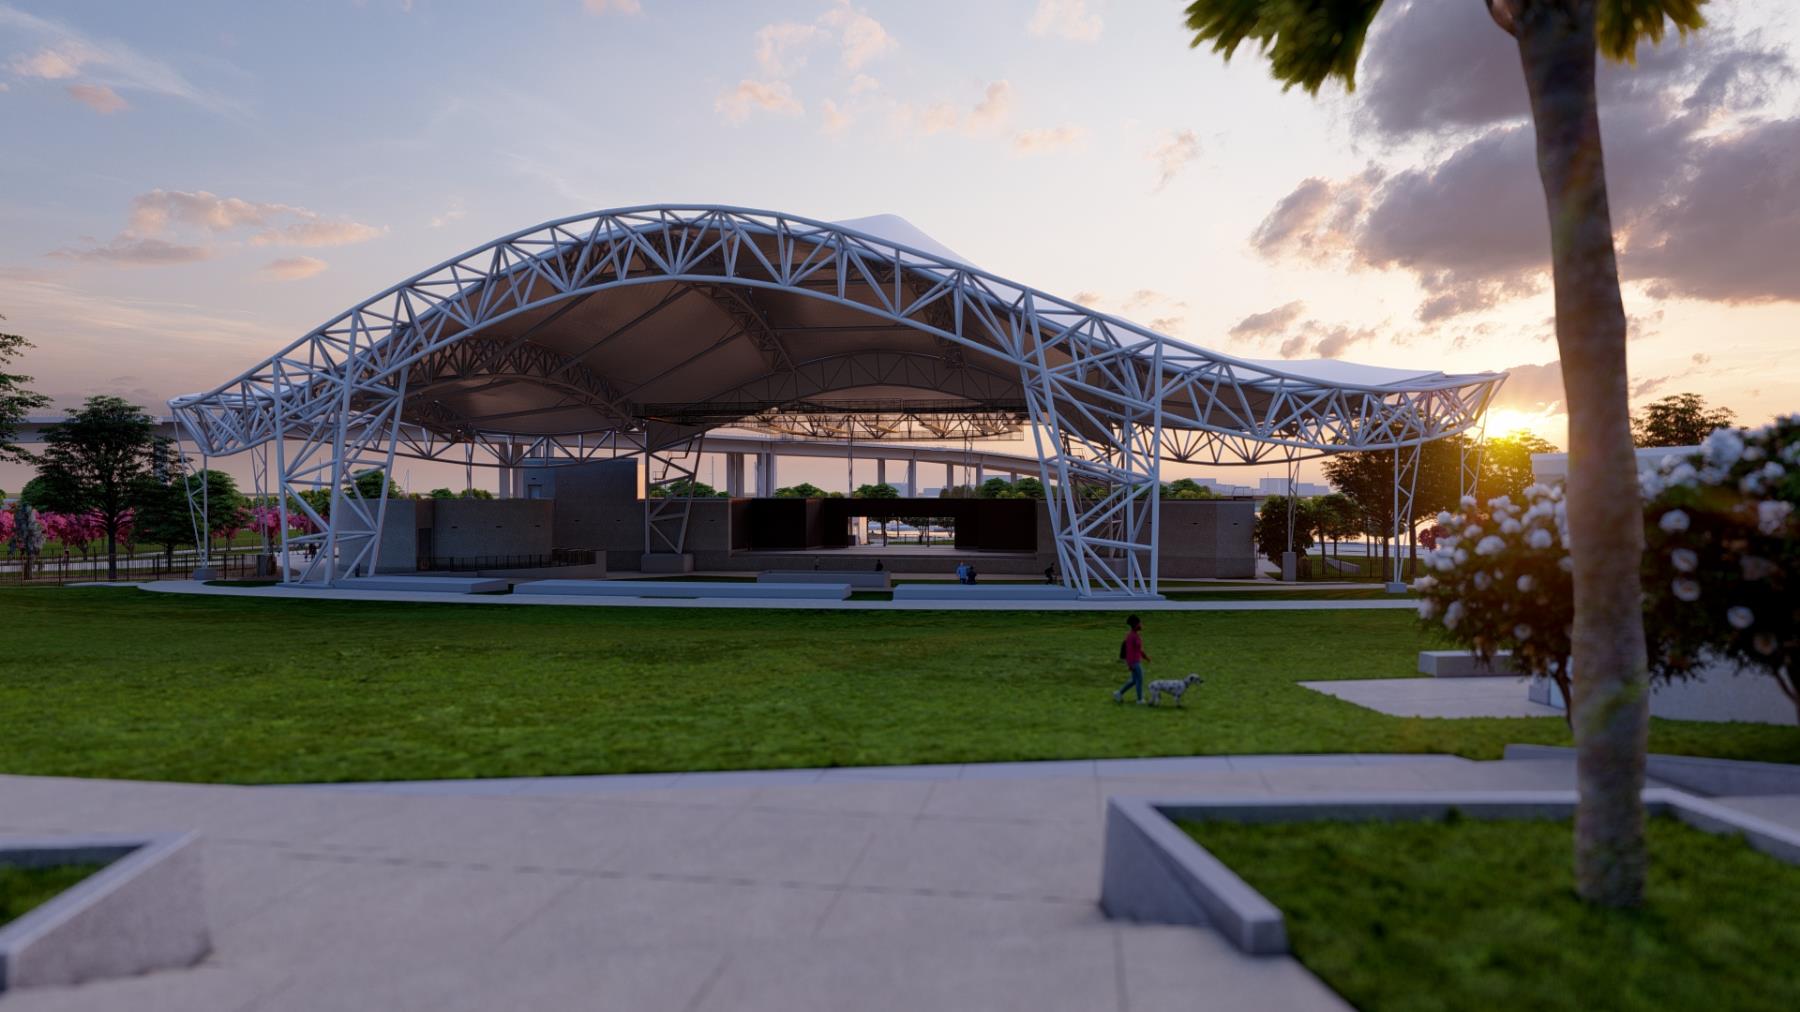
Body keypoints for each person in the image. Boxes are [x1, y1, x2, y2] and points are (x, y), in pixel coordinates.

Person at [1114, 614, 1149, 704]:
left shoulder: (1136, 635)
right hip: (1134, 662)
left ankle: (1119, 693)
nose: (1141, 624)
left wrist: (1145, 657)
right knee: (1139, 679)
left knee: (1134, 680)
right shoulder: (1131, 637)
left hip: (1136, 661)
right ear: (1136, 625)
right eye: (1140, 623)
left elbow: (1138, 649)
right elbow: (1128, 651)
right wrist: (1130, 664)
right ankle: (1140, 699)